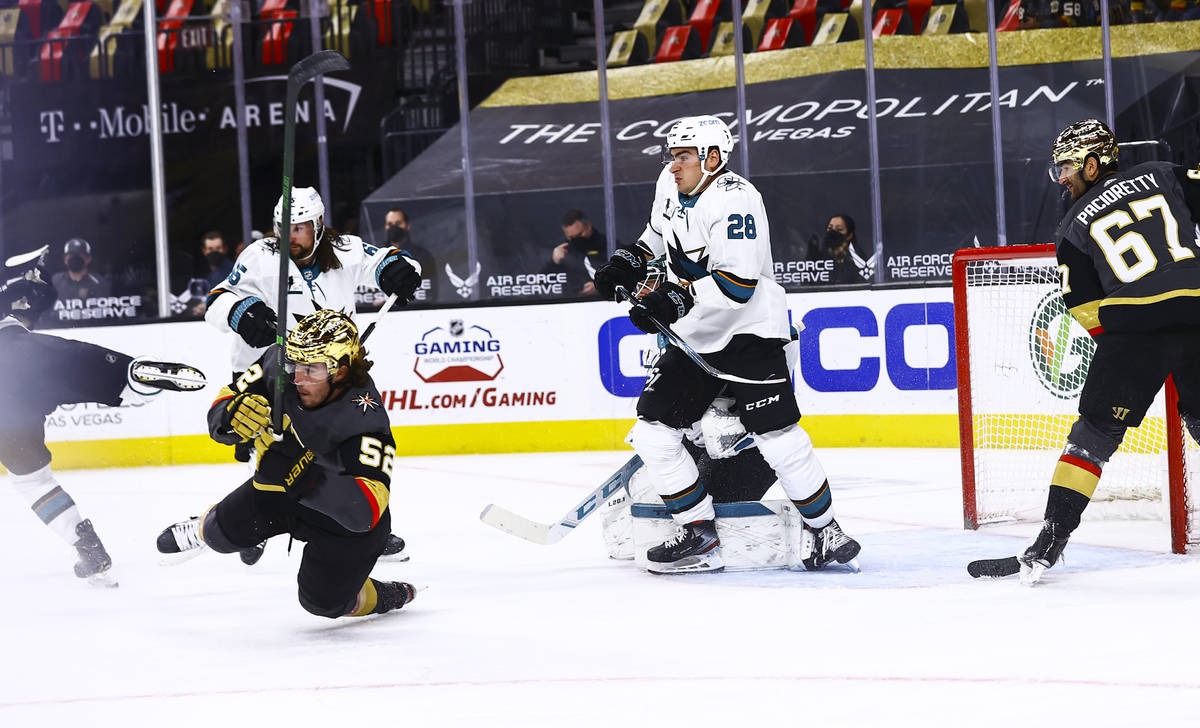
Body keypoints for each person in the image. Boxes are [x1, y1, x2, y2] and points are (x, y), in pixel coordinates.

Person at [591, 114, 860, 574]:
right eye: (671, 155)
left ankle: (826, 529)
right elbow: (658, 233)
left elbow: (737, 286)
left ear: (713, 157)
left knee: (779, 438)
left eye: (683, 156)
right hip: (695, 334)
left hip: (749, 333)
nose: (673, 165)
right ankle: (699, 535)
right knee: (653, 434)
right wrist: (629, 260)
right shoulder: (670, 183)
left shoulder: (738, 201)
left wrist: (671, 298)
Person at [1005, 119, 1200, 584]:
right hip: (1197, 312)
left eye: (1068, 167)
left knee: (1091, 438)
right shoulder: (1166, 172)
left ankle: (1051, 540)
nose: (1063, 179)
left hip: (1132, 331)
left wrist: (1123, 356)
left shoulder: (1072, 225)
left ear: (1094, 164)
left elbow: (1085, 308)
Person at [204, 186, 419, 562]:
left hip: (330, 372)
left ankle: (369, 529)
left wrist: (399, 271)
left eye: (300, 228)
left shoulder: (345, 249)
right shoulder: (259, 257)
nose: (290, 237)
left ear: (319, 226)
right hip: (273, 369)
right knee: (277, 448)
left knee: (347, 450)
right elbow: (217, 300)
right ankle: (259, 519)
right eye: (282, 228)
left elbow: (387, 259)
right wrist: (241, 312)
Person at [156, 310, 416, 619]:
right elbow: (227, 398)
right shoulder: (280, 361)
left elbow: (364, 513)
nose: (297, 378)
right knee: (218, 534)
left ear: (342, 371)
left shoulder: (364, 421)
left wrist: (300, 470)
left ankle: (383, 594)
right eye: (295, 365)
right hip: (283, 491)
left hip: (341, 526)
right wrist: (230, 417)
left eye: (312, 370)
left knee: (322, 603)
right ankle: (203, 525)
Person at [0, 250, 206, 586]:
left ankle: (86, 544)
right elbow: (33, 294)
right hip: (16, 356)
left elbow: (33, 292)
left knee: (32, 481)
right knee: (67, 361)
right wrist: (25, 274)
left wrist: (23, 276)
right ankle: (127, 375)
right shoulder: (27, 302)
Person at [542, 209, 607, 298]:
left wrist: (600, 287)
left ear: (588, 226)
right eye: (572, 238)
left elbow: (623, 273)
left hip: (604, 302)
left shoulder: (608, 245)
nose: (577, 240)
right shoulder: (565, 251)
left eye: (580, 235)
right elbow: (543, 285)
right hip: (571, 304)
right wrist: (554, 262)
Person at [384, 208, 435, 304]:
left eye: (398, 223)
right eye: (390, 224)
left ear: (407, 226)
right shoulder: (377, 255)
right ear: (385, 227)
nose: (394, 228)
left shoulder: (423, 256)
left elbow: (430, 293)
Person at [808, 213, 872, 284]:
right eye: (830, 228)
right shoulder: (817, 258)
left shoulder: (857, 258)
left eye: (839, 229)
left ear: (849, 235)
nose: (833, 233)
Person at [51, 238, 111, 304]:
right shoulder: (55, 281)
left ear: (88, 258)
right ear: (65, 259)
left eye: (80, 255)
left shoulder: (99, 282)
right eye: (71, 255)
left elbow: (103, 310)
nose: (75, 258)